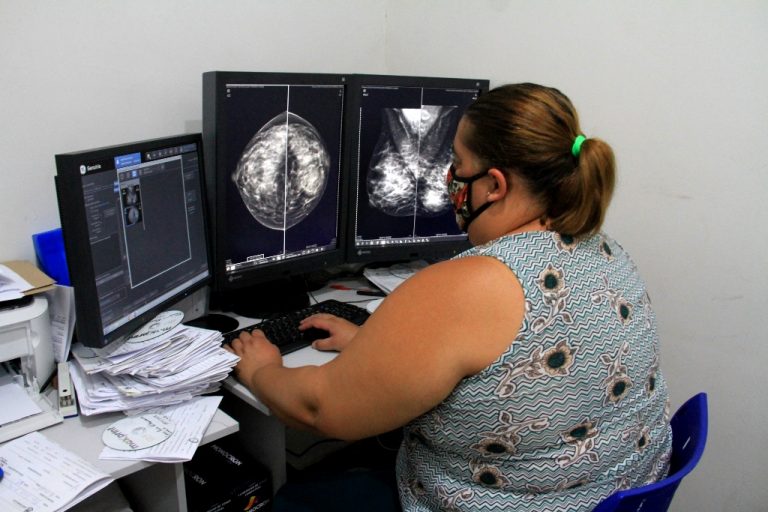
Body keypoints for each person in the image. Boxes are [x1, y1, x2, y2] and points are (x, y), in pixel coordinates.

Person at [225, 83, 672, 512]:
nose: (449, 177)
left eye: (458, 162)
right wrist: (371, 346)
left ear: (494, 185)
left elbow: (317, 408)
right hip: (615, 490)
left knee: (299, 494)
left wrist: (263, 370)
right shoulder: (604, 249)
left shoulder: (470, 284)